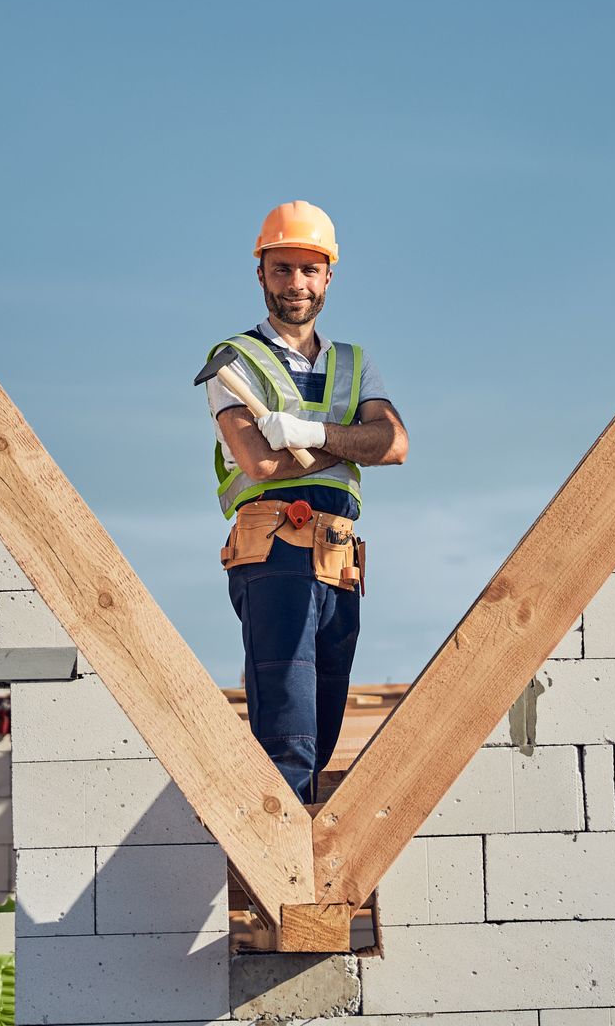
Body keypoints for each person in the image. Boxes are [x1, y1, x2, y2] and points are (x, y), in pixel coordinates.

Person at [205, 201, 408, 804]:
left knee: (323, 725)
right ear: (261, 273)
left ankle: (309, 863)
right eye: (283, 269)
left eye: (309, 270)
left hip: (338, 561)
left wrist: (312, 434)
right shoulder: (235, 359)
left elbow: (394, 444)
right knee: (287, 732)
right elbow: (261, 463)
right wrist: (350, 447)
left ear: (328, 277)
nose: (296, 284)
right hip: (275, 555)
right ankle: (282, 877)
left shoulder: (354, 362)